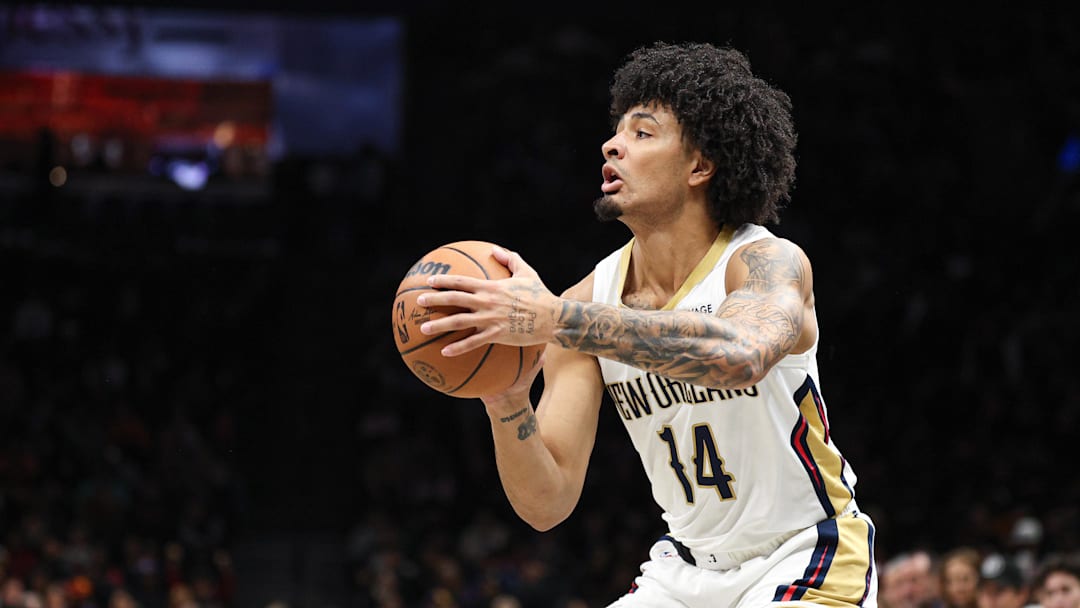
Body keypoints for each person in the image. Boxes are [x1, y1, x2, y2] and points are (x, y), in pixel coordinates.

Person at [417, 41, 877, 607]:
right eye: (617, 131)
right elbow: (547, 502)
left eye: (642, 132)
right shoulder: (587, 299)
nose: (611, 144)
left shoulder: (764, 262)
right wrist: (507, 398)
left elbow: (740, 355)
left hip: (804, 552)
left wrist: (555, 318)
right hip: (683, 567)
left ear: (700, 165)